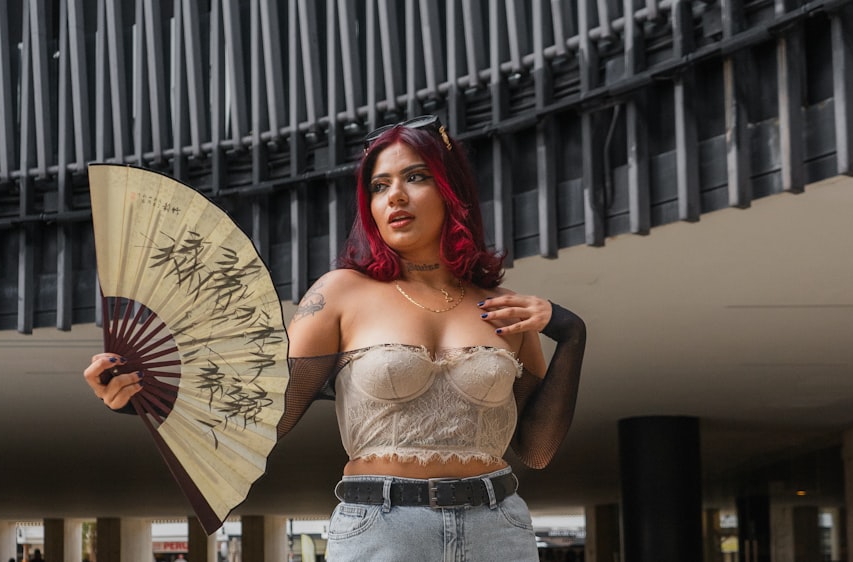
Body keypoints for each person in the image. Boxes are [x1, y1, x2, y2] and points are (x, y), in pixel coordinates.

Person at [84, 115, 586, 560]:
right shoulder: (341, 293)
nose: (395, 197)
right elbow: (265, 414)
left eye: (416, 177)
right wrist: (140, 398)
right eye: (379, 184)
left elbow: (536, 449)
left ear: (452, 191)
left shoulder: (502, 307)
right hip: (382, 528)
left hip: (497, 526)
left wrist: (570, 332)